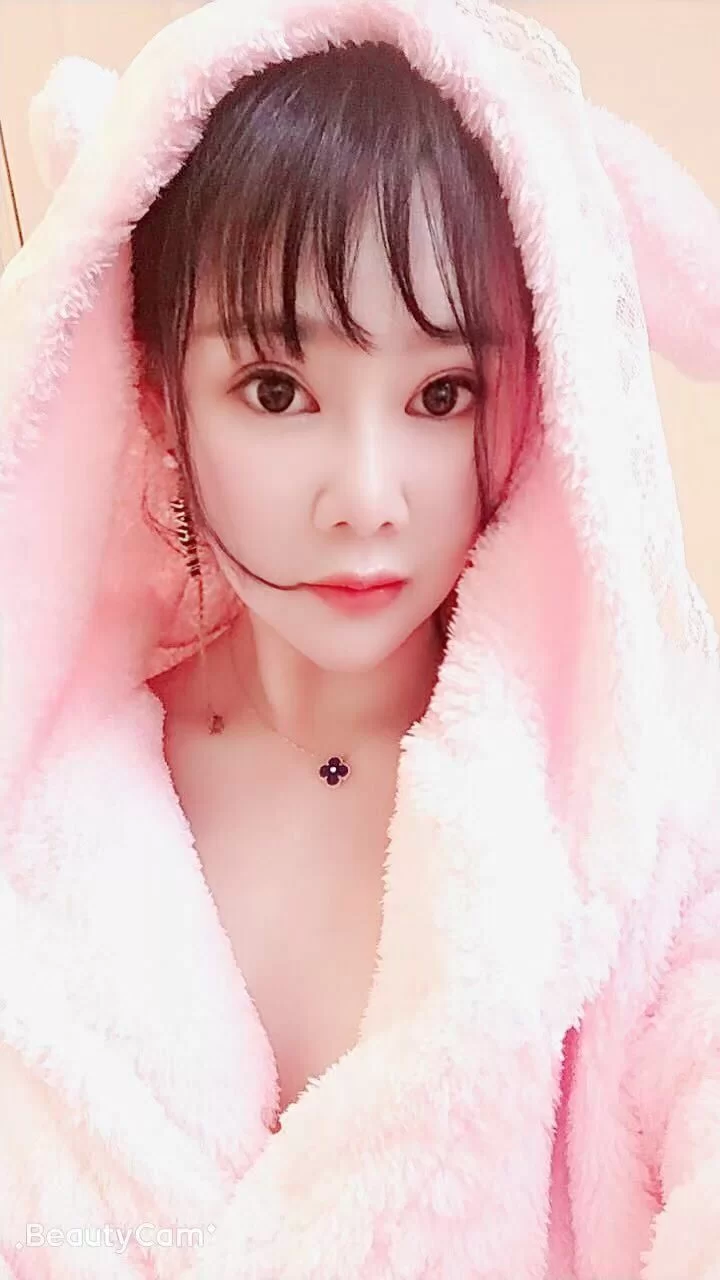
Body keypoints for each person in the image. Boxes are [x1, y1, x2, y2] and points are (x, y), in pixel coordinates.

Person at [1, 1, 719, 1277]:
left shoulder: (628, 815)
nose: (370, 495)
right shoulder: (36, 809)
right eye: (277, 389)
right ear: (159, 394)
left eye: (442, 393)